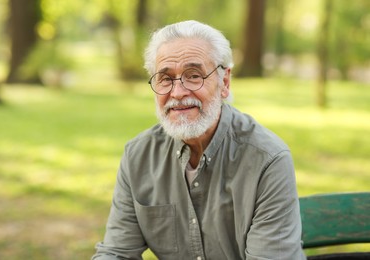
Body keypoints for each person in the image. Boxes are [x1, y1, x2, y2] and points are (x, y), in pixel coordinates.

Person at [92, 20, 306, 260]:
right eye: (165, 78)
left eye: (193, 76)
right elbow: (116, 252)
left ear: (224, 82)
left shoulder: (267, 160)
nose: (177, 92)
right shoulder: (138, 156)